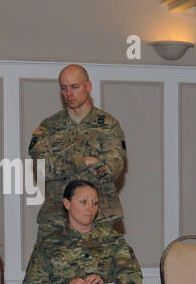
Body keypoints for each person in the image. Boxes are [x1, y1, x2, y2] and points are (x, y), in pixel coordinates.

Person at [29, 64, 127, 239]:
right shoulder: (48, 127)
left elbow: (112, 169)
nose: (69, 94)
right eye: (64, 88)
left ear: (88, 87)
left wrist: (63, 163)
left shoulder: (109, 125)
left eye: (75, 87)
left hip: (100, 217)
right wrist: (85, 161)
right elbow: (45, 169)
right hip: (57, 219)